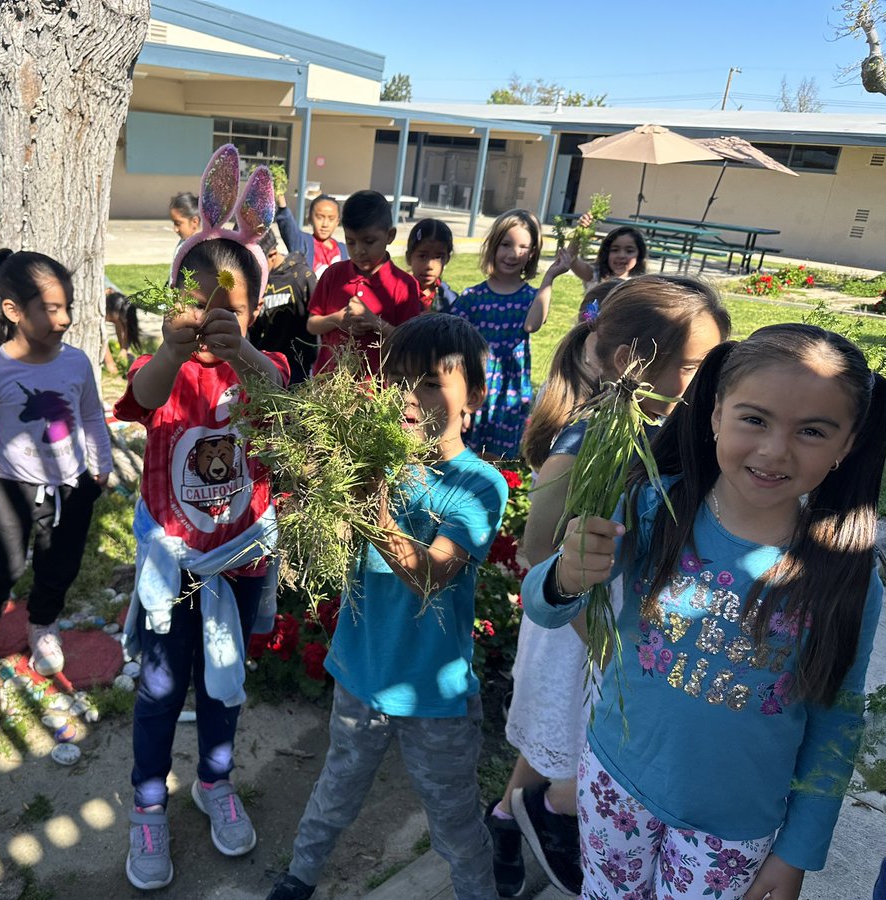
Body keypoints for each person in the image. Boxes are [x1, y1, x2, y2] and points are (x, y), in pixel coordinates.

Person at [523, 322, 886, 899]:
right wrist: (567, 574)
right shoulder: (654, 507)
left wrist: (797, 852)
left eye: (812, 431)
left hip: (732, 829)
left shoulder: (845, 573)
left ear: (848, 443)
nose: (774, 450)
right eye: (754, 419)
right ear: (716, 413)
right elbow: (544, 607)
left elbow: (836, 720)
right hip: (614, 781)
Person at [494, 276, 730, 897]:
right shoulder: (581, 446)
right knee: (577, 750)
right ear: (634, 362)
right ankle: (548, 819)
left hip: (616, 628)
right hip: (579, 632)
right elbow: (535, 553)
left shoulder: (673, 431)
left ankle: (508, 821)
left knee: (561, 745)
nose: (711, 381)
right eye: (698, 366)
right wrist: (600, 637)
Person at [267, 314, 508, 900]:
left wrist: (372, 510)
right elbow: (295, 424)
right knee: (335, 791)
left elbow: (433, 571)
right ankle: (299, 879)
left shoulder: (476, 483)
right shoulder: (371, 461)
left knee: (453, 823)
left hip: (434, 698)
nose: (407, 397)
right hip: (359, 676)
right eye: (395, 379)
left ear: (473, 396)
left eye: (429, 382)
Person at [114, 145, 288, 892]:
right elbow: (145, 399)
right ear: (174, 304)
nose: (214, 320)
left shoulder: (266, 369)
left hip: (241, 557)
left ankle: (214, 781)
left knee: (224, 682)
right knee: (159, 688)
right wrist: (173, 347)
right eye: (199, 304)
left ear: (255, 312)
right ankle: (148, 801)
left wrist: (244, 352)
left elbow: (285, 410)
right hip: (173, 562)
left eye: (233, 308)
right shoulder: (162, 368)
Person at [0, 250, 112, 679]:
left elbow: (93, 415)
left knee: (59, 564)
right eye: (51, 309)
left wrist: (101, 463)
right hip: (8, 487)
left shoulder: (76, 362)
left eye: (68, 308)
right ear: (13, 310)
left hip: (71, 487)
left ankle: (42, 623)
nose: (63, 320)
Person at [450, 208, 573, 460]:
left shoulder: (531, 297)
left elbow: (532, 325)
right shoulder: (472, 298)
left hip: (509, 391)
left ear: (532, 254)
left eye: (523, 247)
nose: (513, 253)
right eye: (506, 244)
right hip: (475, 385)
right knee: (461, 455)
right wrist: (461, 400)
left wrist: (550, 278)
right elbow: (455, 350)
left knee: (496, 459)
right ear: (493, 246)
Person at [306, 190, 422, 377]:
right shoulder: (333, 274)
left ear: (390, 236)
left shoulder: (404, 285)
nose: (359, 251)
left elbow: (410, 344)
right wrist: (337, 319)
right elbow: (312, 324)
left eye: (369, 241)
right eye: (350, 242)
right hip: (327, 388)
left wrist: (375, 322)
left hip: (376, 395)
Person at [247, 228, 317, 385]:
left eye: (255, 263)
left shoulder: (302, 277)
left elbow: (317, 320)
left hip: (298, 368)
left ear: (271, 255)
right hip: (264, 365)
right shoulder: (255, 282)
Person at [274, 191, 346, 278]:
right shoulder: (304, 243)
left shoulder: (343, 249)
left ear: (337, 222)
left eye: (331, 219)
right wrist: (280, 196)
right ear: (310, 218)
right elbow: (287, 223)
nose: (325, 224)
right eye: (320, 217)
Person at [569, 223, 648, 288]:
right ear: (606, 253)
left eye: (629, 251)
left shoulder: (641, 284)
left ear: (639, 255)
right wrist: (580, 231)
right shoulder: (594, 275)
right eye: (615, 250)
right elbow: (570, 258)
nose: (621, 256)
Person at [406, 218, 457, 312]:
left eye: (438, 257)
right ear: (409, 257)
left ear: (447, 260)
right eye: (422, 256)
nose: (429, 266)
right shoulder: (397, 294)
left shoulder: (451, 301)